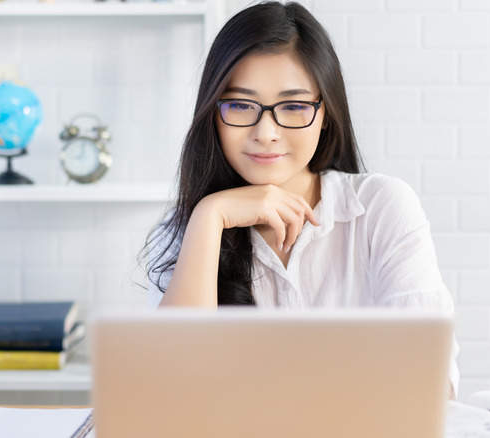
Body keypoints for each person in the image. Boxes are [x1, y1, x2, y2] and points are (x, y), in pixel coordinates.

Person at [142, 1, 459, 399]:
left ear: (325, 113)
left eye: (293, 106)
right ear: (213, 114)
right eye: (240, 104)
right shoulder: (186, 231)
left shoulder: (380, 208)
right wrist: (210, 215)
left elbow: (429, 381)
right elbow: (169, 392)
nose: (266, 132)